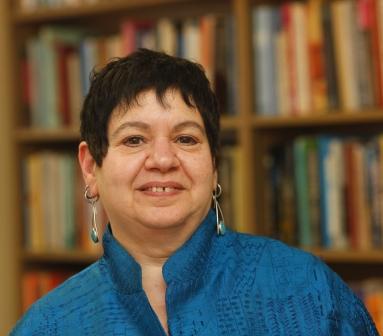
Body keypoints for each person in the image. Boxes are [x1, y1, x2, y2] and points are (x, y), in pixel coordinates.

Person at [11, 48, 378, 336]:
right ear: (91, 166)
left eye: (186, 139)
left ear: (214, 164)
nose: (163, 159)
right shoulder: (48, 325)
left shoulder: (306, 290)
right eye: (134, 139)